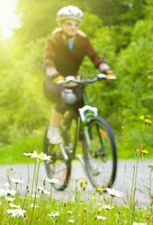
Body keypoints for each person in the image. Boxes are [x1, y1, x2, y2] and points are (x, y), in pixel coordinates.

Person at [43, 5, 113, 144]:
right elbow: (48, 59)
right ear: (62, 24)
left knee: (81, 105)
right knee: (66, 97)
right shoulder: (54, 40)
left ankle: (84, 138)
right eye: (69, 23)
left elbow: (95, 58)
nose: (73, 27)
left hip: (74, 80)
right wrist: (53, 72)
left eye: (76, 24)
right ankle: (54, 128)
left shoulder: (83, 40)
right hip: (55, 81)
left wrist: (106, 70)